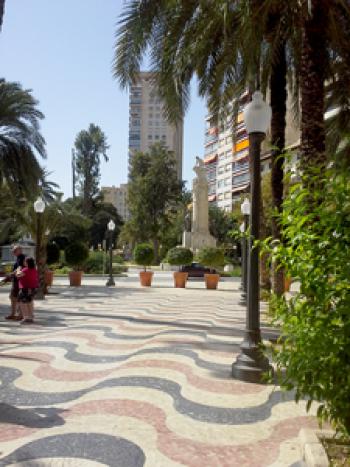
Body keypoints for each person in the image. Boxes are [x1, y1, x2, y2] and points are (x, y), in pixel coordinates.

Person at [5, 245, 26, 320]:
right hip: (16, 280)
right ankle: (14, 314)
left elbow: (19, 268)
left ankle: (19, 315)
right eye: (13, 251)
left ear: (20, 250)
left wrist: (11, 274)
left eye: (15, 250)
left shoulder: (21, 257)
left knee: (16, 297)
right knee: (13, 297)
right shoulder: (19, 257)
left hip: (19, 281)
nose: (13, 252)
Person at [16, 257, 38, 324]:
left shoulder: (25, 270)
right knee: (30, 302)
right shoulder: (34, 269)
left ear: (27, 262)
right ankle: (31, 317)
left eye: (25, 261)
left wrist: (18, 269)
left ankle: (25, 317)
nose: (24, 262)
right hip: (32, 288)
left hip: (25, 288)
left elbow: (18, 275)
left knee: (23, 303)